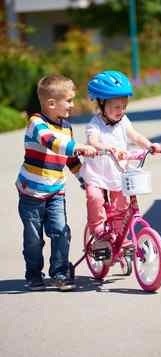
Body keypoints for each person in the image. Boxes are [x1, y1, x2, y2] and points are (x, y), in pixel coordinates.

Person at [16, 74, 96, 291]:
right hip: (31, 192)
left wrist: (85, 180)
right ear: (51, 103)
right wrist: (77, 146)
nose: (72, 105)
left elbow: (70, 159)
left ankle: (59, 273)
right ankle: (33, 274)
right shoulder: (36, 123)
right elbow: (50, 142)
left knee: (61, 230)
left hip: (55, 192)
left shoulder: (66, 127)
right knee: (34, 239)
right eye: (68, 100)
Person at [80, 70, 161, 255]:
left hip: (118, 172)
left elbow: (134, 136)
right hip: (96, 174)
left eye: (124, 106)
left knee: (122, 205)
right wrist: (106, 148)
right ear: (101, 104)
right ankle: (98, 229)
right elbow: (92, 141)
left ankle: (119, 236)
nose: (121, 110)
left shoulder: (124, 120)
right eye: (116, 106)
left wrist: (150, 145)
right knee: (95, 198)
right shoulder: (94, 124)